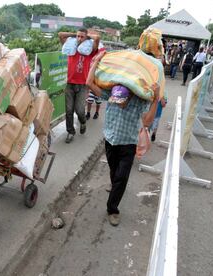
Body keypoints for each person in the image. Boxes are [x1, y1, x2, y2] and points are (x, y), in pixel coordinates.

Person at [86, 51, 160, 226]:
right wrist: (95, 61)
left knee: (122, 176)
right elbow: (89, 82)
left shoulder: (140, 99)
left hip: (128, 143)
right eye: (117, 99)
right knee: (114, 171)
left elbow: (148, 121)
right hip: (110, 139)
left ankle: (113, 209)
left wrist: (156, 98)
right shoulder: (111, 93)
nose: (119, 101)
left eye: (122, 99)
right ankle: (114, 186)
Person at [58, 28, 100, 143]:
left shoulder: (89, 49)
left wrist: (87, 36)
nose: (79, 39)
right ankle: (70, 132)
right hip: (70, 83)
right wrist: (75, 35)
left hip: (83, 85)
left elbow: (97, 38)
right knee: (69, 110)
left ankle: (82, 122)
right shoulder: (70, 47)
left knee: (80, 110)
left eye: (82, 37)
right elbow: (60, 34)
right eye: (78, 36)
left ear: (86, 38)